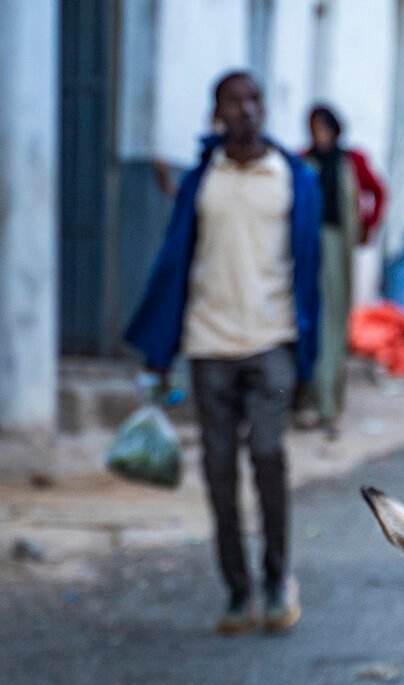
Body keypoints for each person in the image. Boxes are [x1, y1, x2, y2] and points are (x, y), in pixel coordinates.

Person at [124, 71, 322, 636]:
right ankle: (237, 593)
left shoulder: (293, 177)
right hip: (208, 344)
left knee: (266, 454)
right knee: (217, 470)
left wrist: (311, 360)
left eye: (255, 99)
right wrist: (159, 357)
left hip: (273, 342)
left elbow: (310, 273)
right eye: (235, 101)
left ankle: (277, 577)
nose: (247, 109)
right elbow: (174, 263)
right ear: (218, 113)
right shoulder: (201, 179)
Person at [297, 103, 387, 435]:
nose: (317, 135)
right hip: (306, 250)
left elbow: (378, 193)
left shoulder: (352, 161)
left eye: (322, 128)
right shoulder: (303, 160)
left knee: (333, 321)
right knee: (309, 319)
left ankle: (327, 402)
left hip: (336, 247)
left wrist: (367, 227)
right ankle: (306, 399)